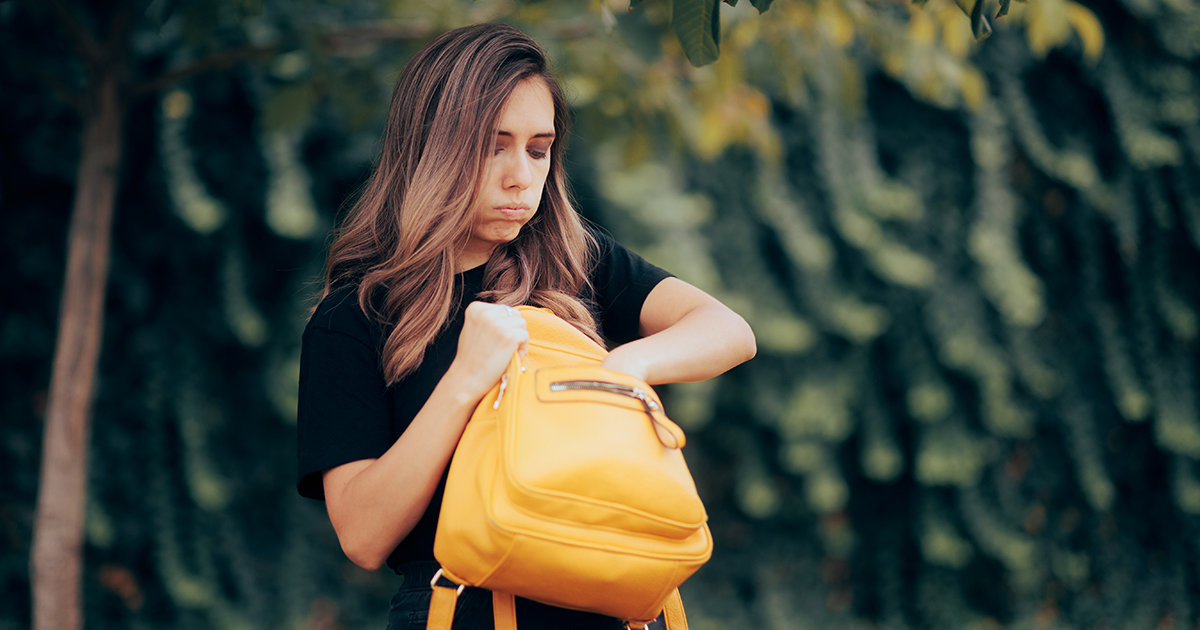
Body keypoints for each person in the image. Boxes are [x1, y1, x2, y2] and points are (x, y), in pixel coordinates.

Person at [296, 23, 756, 630]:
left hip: (614, 607)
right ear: (434, 150)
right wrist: (465, 379)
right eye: (494, 146)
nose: (522, 176)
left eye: (538, 149)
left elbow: (728, 331)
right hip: (465, 610)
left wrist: (625, 368)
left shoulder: (575, 260)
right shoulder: (355, 318)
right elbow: (363, 534)